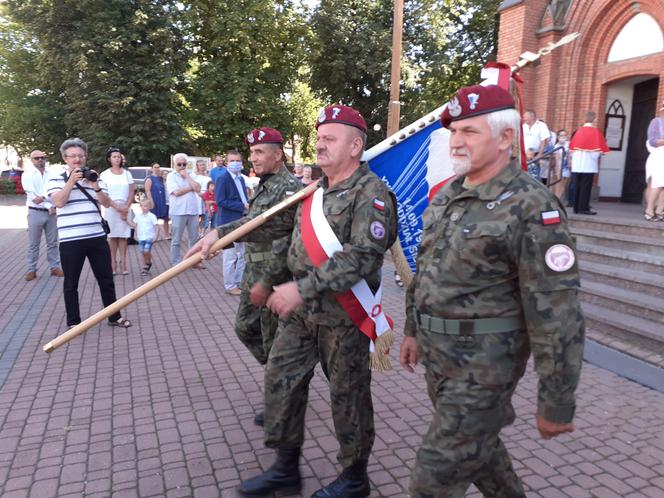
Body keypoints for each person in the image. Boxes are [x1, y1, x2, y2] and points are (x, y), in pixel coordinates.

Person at [188, 105, 398, 498]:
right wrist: (219, 235)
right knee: (280, 381)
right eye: (318, 138)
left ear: (355, 146)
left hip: (343, 318)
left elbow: (362, 256)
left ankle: (355, 478)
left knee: (348, 398)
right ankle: (286, 468)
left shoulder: (371, 194)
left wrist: (300, 288)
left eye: (329, 139)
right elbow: (274, 226)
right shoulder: (315, 192)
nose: (319, 145)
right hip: (302, 316)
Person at [399, 84, 585, 498]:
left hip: (485, 367)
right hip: (439, 357)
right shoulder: (449, 196)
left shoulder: (532, 207)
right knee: (482, 456)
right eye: (454, 132)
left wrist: (556, 400)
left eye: (470, 131)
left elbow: (557, 312)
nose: (457, 141)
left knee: (433, 479)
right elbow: (426, 271)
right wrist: (414, 329)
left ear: (505, 138)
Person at [46, 137, 131, 329]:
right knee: (71, 283)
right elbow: (58, 202)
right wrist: (70, 182)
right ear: (65, 158)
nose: (77, 159)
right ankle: (74, 323)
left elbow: (107, 203)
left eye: (80, 155)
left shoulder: (94, 176)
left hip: (96, 236)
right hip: (70, 240)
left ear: (85, 157)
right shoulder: (55, 178)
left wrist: (95, 186)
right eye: (72, 156)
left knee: (106, 279)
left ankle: (114, 316)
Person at [21, 150, 63, 281]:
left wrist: (45, 198)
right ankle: (31, 269)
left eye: (42, 157)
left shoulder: (52, 174)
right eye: (36, 158)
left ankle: (54, 267)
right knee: (34, 243)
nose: (40, 160)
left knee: (53, 242)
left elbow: (55, 190)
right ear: (32, 160)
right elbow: (33, 197)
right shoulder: (27, 175)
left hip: (51, 214)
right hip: (35, 212)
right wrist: (49, 205)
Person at [215, 150, 249, 295]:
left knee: (242, 254)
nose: (235, 163)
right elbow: (220, 201)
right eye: (232, 161)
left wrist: (247, 204)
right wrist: (242, 206)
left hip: (242, 220)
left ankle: (239, 281)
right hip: (228, 222)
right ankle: (230, 285)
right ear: (227, 162)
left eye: (238, 160)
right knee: (230, 256)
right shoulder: (223, 179)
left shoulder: (240, 178)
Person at [100, 147, 135, 275]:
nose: (117, 159)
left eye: (119, 156)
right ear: (109, 159)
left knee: (124, 237)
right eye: (114, 156)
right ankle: (112, 263)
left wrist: (126, 206)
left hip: (125, 207)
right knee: (112, 236)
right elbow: (103, 194)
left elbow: (132, 190)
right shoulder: (104, 174)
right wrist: (117, 207)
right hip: (111, 208)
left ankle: (124, 262)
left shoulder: (127, 173)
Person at [569, 111, 609, 215]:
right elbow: (596, 152)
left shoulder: (578, 131)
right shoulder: (596, 132)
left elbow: (572, 150)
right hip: (589, 164)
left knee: (577, 185)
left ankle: (576, 208)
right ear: (594, 119)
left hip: (577, 165)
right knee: (585, 187)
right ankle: (584, 208)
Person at [167, 153, 201, 265]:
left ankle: (193, 261)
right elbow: (176, 192)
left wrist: (187, 176)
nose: (182, 166)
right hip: (178, 211)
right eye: (179, 164)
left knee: (194, 239)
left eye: (184, 164)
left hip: (192, 210)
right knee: (176, 240)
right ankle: (176, 263)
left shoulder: (191, 175)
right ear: (174, 164)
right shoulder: (171, 176)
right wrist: (191, 187)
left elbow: (197, 188)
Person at [128, 197, 159, 275]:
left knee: (146, 250)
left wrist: (156, 236)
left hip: (149, 237)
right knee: (143, 251)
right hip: (141, 237)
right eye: (142, 206)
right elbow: (134, 225)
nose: (143, 208)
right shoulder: (138, 216)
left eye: (145, 206)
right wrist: (127, 220)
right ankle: (148, 262)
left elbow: (157, 227)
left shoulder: (152, 216)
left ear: (149, 207)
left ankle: (145, 266)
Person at [645, 102, 664, 221]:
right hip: (660, 155)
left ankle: (660, 210)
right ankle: (649, 210)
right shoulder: (656, 122)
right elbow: (652, 141)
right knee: (657, 184)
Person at [144, 162, 170, 240]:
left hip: (162, 200)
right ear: (151, 169)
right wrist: (151, 201)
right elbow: (147, 191)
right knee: (154, 219)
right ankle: (154, 236)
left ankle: (167, 235)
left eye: (158, 167)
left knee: (166, 218)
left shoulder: (160, 178)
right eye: (155, 167)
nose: (157, 169)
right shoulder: (149, 178)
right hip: (154, 200)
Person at [522, 110, 550, 181]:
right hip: (524, 154)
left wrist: (540, 154)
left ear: (532, 116)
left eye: (525, 116)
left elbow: (544, 140)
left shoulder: (541, 125)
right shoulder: (524, 126)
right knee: (523, 174)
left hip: (535, 155)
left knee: (534, 175)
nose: (523, 118)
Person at [192, 159, 212, 234]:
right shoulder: (194, 175)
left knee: (204, 215)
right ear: (197, 166)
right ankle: (194, 232)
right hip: (197, 196)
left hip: (205, 197)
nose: (202, 166)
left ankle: (202, 232)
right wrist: (198, 193)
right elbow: (193, 185)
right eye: (200, 165)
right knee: (196, 216)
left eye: (203, 165)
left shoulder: (208, 175)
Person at [550, 129, 570, 201]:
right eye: (561, 135)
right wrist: (558, 171)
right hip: (560, 167)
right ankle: (556, 199)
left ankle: (558, 199)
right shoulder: (556, 146)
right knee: (558, 184)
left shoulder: (569, 144)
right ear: (558, 137)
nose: (563, 137)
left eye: (565, 135)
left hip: (566, 167)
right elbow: (557, 159)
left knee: (563, 185)